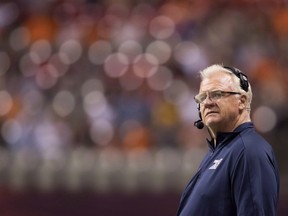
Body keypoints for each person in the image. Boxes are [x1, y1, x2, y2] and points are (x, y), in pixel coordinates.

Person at [177, 64, 279, 216]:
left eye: (217, 94)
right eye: (202, 97)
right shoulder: (219, 152)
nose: (208, 102)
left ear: (242, 101)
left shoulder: (248, 151)